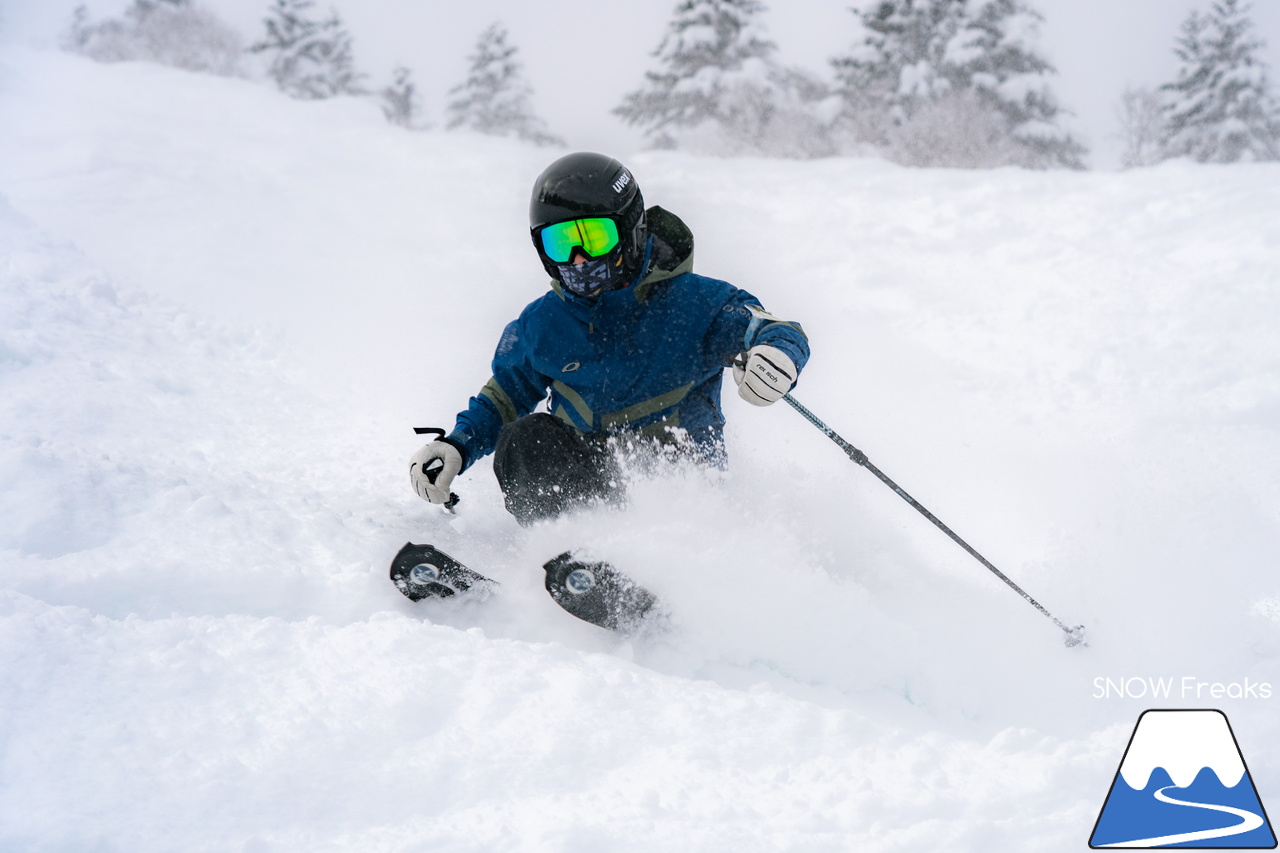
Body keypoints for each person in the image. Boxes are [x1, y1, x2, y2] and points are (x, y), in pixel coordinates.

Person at [409, 152, 810, 525]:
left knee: (671, 503)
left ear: (630, 230)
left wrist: (778, 353)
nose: (579, 258)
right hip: (584, 488)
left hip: (685, 496)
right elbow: (503, 398)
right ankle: (565, 555)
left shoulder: (695, 303)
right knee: (525, 438)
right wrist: (458, 445)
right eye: (561, 243)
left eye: (594, 238)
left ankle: (656, 565)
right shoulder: (543, 323)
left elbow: (767, 328)